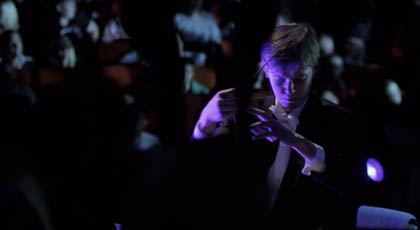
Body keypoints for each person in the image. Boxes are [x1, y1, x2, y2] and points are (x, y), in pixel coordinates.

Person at [186, 23, 380, 229]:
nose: (290, 89)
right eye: (280, 79)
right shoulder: (246, 111)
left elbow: (355, 187)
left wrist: (298, 142)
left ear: (315, 70)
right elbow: (199, 175)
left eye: (300, 78)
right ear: (266, 70)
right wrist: (203, 124)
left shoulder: (340, 121)